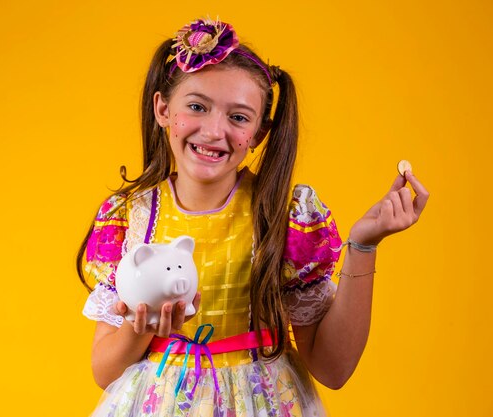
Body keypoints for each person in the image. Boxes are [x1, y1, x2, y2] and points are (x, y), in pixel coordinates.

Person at [77, 17, 428, 417]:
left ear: (259, 133)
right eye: (196, 107)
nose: (214, 130)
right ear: (162, 109)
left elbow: (333, 369)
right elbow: (105, 372)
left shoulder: (285, 217)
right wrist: (140, 328)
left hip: (263, 405)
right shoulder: (129, 217)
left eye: (239, 117)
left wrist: (364, 244)